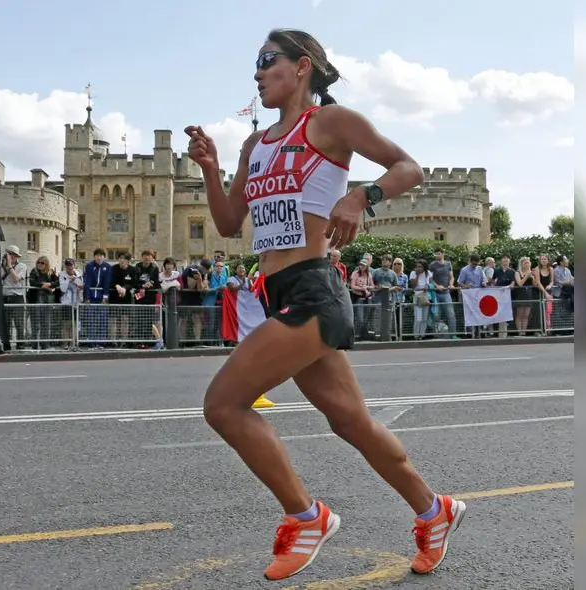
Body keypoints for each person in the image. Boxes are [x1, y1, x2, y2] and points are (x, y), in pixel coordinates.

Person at [184, 28, 466, 582]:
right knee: (352, 422)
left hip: (314, 289)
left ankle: (306, 517)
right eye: (256, 66)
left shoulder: (330, 124)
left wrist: (362, 195)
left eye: (268, 62)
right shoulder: (257, 144)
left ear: (303, 66)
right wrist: (211, 168)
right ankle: (436, 511)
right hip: (278, 294)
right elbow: (226, 223)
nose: (259, 73)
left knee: (223, 405)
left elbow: (410, 167)